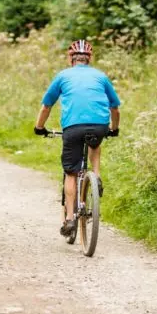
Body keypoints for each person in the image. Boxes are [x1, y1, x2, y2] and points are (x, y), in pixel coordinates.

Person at [34, 40, 120, 236]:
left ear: (70, 58)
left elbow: (46, 106)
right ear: (90, 59)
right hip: (99, 125)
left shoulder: (63, 76)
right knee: (95, 142)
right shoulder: (101, 76)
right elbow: (115, 108)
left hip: (72, 127)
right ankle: (96, 176)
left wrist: (39, 127)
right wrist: (114, 129)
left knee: (71, 172)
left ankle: (70, 218)